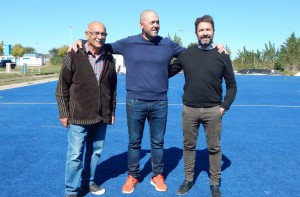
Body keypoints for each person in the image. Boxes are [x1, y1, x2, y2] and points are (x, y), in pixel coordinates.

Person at [70, 10, 225, 194]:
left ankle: (157, 175)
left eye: (158, 22)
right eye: (151, 22)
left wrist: (217, 47)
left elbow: (194, 53)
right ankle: (133, 175)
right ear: (141, 24)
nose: (156, 25)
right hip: (135, 102)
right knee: (134, 142)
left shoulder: (167, 44)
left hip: (160, 102)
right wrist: (81, 40)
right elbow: (101, 44)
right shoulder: (128, 43)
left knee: (157, 143)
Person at [169, 15, 237, 197]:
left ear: (213, 31)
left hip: (213, 111)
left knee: (214, 148)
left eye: (208, 30)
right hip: (189, 110)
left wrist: (224, 107)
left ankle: (214, 183)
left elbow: (232, 85)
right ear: (196, 33)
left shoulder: (222, 55)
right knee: (188, 146)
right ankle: (188, 179)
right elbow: (167, 72)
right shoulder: (187, 54)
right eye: (201, 30)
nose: (205, 33)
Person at [56, 21, 117, 197]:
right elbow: (62, 87)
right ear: (87, 34)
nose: (100, 37)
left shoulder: (109, 58)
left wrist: (112, 111)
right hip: (78, 115)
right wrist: (64, 113)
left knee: (95, 152)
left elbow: (112, 88)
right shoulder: (73, 55)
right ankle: (71, 191)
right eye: (96, 33)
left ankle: (88, 182)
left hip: (102, 115)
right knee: (75, 155)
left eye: (103, 34)